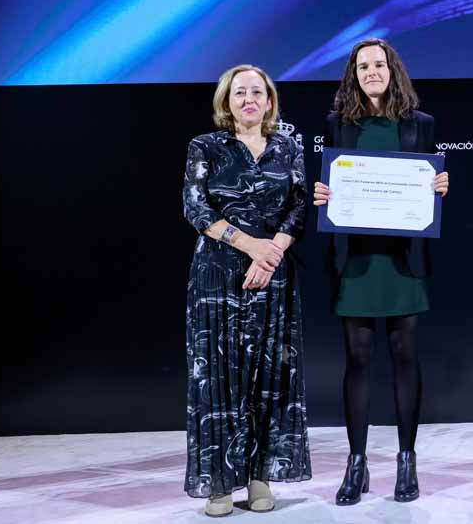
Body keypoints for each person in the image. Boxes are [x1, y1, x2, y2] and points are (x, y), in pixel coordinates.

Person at [312, 38, 449, 505]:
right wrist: (325, 195)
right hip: (356, 261)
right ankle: (357, 463)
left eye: (380, 64)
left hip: (403, 261)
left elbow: (427, 185)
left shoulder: (420, 125)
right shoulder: (338, 125)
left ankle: (406, 461)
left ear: (394, 70)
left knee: (405, 357)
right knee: (359, 360)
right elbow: (333, 181)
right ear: (354, 73)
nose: (372, 71)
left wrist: (437, 185)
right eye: (363, 65)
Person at [182, 65, 311, 517]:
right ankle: (219, 484)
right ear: (227, 101)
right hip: (218, 277)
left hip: (274, 276)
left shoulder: (289, 147)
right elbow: (195, 206)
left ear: (270, 100)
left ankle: (259, 478)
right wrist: (249, 245)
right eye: (240, 92)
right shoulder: (206, 146)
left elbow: (299, 207)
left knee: (269, 378)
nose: (249, 99)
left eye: (257, 92)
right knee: (218, 378)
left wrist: (270, 253)